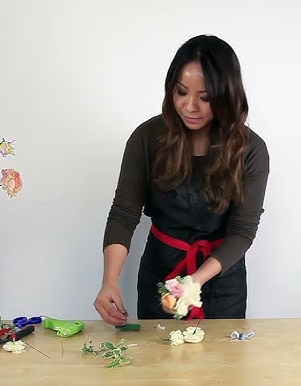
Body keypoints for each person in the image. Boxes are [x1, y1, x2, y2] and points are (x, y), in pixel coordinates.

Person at [93, 34, 269, 325]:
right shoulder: (147, 139)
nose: (190, 107)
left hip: (221, 281)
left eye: (205, 97)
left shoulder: (250, 149)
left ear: (227, 95)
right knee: (157, 367)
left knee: (220, 368)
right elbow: (123, 215)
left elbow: (243, 231)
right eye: (181, 92)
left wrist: (194, 282)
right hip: (159, 272)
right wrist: (109, 281)